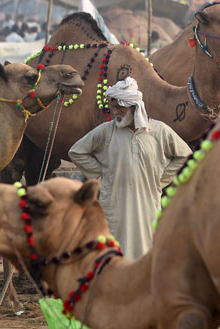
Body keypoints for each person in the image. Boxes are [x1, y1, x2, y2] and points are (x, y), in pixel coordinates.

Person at [69, 77, 192, 259]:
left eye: (120, 108)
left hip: (148, 204)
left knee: (146, 250)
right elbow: (77, 151)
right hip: (114, 204)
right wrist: (101, 175)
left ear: (134, 107)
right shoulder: (107, 130)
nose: (115, 112)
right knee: (114, 252)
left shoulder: (158, 130)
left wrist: (161, 179)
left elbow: (184, 155)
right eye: (113, 108)